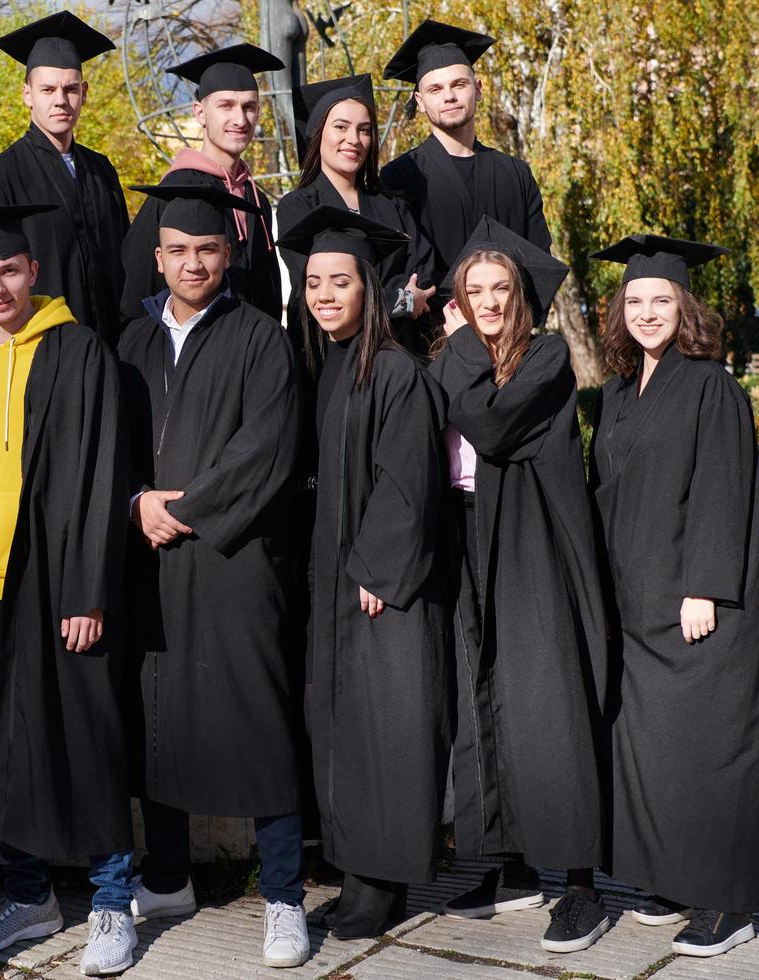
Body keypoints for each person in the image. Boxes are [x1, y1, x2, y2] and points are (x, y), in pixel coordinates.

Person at [0, 205, 136, 977]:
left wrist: (87, 590)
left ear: (33, 272)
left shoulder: (78, 351)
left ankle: (113, 899)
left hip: (58, 587)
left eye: (8, 271)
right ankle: (30, 892)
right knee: (1, 748)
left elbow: (100, 473)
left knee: (87, 734)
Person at [117, 183, 308, 969]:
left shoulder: (263, 338)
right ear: (157, 258)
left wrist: (181, 508)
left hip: (232, 560)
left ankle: (287, 895)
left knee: (259, 717)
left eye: (208, 250)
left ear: (228, 255)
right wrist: (133, 504)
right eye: (179, 251)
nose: (193, 262)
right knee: (156, 714)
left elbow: (267, 449)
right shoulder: (128, 343)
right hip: (150, 559)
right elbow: (105, 443)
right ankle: (166, 876)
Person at [429, 217, 610, 953]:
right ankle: (508, 866)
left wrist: (463, 344)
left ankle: (580, 883)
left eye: (500, 289)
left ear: (520, 295)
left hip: (531, 541)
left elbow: (492, 427)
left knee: (547, 700)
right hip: (465, 533)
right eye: (475, 291)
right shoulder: (450, 356)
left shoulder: (545, 358)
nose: (490, 301)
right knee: (483, 698)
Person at [589, 234, 759, 957]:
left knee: (710, 751)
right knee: (654, 752)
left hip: (693, 605)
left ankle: (729, 902)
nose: (647, 312)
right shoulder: (616, 394)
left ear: (685, 307)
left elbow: (726, 491)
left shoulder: (711, 385)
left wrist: (703, 587)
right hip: (634, 604)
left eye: (661, 300)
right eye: (634, 301)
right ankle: (669, 877)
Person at [274, 206, 450, 940]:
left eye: (338, 282)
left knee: (384, 730)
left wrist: (378, 570)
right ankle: (356, 873)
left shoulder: (398, 371)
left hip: (380, 588)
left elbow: (407, 482)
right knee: (341, 728)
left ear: (367, 288)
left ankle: (381, 882)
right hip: (336, 580)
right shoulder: (331, 363)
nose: (323, 294)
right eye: (313, 282)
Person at [0, 11, 128, 348]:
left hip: (109, 345)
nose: (60, 100)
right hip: (39, 350)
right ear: (27, 94)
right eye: (48, 89)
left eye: (70, 89)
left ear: (84, 92)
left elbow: (122, 264)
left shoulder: (102, 171)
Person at [380, 20, 550, 302]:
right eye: (435, 89)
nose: (449, 96)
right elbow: (404, 269)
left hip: (510, 330)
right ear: (420, 102)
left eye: (459, 84)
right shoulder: (399, 178)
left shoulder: (515, 174)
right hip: (435, 337)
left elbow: (540, 261)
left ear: (478, 89)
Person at [121, 44, 286, 324]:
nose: (240, 119)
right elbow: (139, 289)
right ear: (200, 113)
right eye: (226, 106)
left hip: (257, 355)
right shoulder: (177, 190)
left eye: (249, 107)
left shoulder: (256, 198)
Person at [279, 73, 436, 363]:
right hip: (326, 359)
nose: (354, 139)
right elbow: (314, 286)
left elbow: (423, 273)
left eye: (364, 130)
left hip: (395, 355)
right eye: (341, 127)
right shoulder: (298, 206)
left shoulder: (392, 205)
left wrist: (396, 293)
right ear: (318, 132)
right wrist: (401, 297)